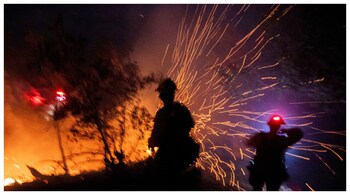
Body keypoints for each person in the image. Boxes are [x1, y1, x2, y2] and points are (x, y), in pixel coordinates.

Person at [148, 78, 200, 176]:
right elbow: (190, 125)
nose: (160, 95)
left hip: (171, 155)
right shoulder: (179, 110)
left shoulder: (165, 113)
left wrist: (152, 142)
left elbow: (157, 134)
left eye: (162, 93)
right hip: (179, 155)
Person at [247, 114, 303, 191]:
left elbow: (248, 143)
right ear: (279, 127)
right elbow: (299, 133)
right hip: (274, 172)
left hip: (259, 170)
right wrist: (287, 131)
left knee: (257, 189)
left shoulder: (260, 137)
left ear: (269, 125)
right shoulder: (282, 140)